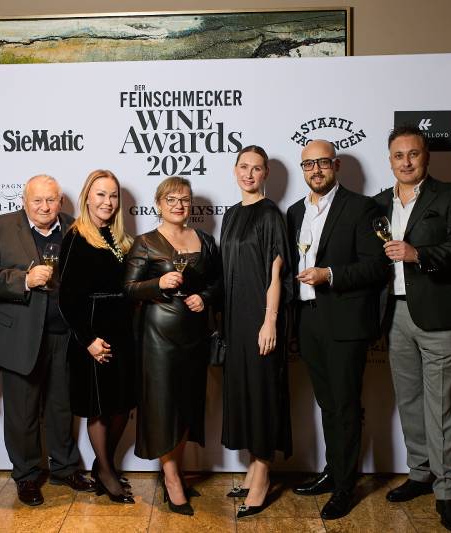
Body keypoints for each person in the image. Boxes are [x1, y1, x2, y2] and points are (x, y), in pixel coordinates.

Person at [374, 125, 451, 533]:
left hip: (439, 317)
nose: (406, 162)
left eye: (413, 154)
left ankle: (446, 490)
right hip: (395, 315)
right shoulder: (379, 203)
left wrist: (419, 254)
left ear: (426, 157)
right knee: (410, 399)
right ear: (390, 160)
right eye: (399, 155)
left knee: (442, 406)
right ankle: (420, 473)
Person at [0, 175, 94, 507]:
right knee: (22, 412)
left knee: (61, 407)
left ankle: (64, 468)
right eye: (37, 200)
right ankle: (26, 476)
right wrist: (24, 279)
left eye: (51, 200)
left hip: (63, 334)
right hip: (19, 336)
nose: (44, 207)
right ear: (24, 201)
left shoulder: (75, 229)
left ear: (61, 202)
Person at [286, 139, 389, 520]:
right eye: (308, 164)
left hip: (345, 321)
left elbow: (376, 266)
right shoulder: (295, 212)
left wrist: (329, 274)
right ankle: (334, 471)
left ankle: (345, 487)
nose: (316, 170)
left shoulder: (362, 208)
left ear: (337, 165)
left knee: (345, 406)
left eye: (323, 163)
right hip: (308, 319)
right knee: (328, 404)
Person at [124, 176, 222, 515]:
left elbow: (218, 282)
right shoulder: (145, 242)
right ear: (158, 204)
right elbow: (129, 289)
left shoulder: (205, 240)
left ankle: (176, 471)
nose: (178, 205)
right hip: (158, 336)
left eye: (184, 199)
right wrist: (158, 282)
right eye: (171, 199)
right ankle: (171, 479)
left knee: (185, 405)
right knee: (164, 406)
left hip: (194, 335)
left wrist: (204, 297)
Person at [220, 145, 292, 519]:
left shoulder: (270, 215)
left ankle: (263, 475)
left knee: (263, 393)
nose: (249, 174)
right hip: (235, 319)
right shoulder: (231, 215)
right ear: (235, 170)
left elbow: (276, 273)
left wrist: (270, 320)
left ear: (266, 174)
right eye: (243, 167)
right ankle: (252, 469)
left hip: (260, 318)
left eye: (257, 168)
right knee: (246, 392)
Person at [59, 169, 136, 504]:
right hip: (93, 334)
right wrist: (88, 340)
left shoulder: (119, 238)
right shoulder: (76, 237)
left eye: (113, 195)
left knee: (122, 405)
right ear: (87, 198)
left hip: (123, 332)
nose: (108, 201)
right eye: (101, 194)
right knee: (100, 408)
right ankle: (106, 472)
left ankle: (104, 464)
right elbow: (66, 298)